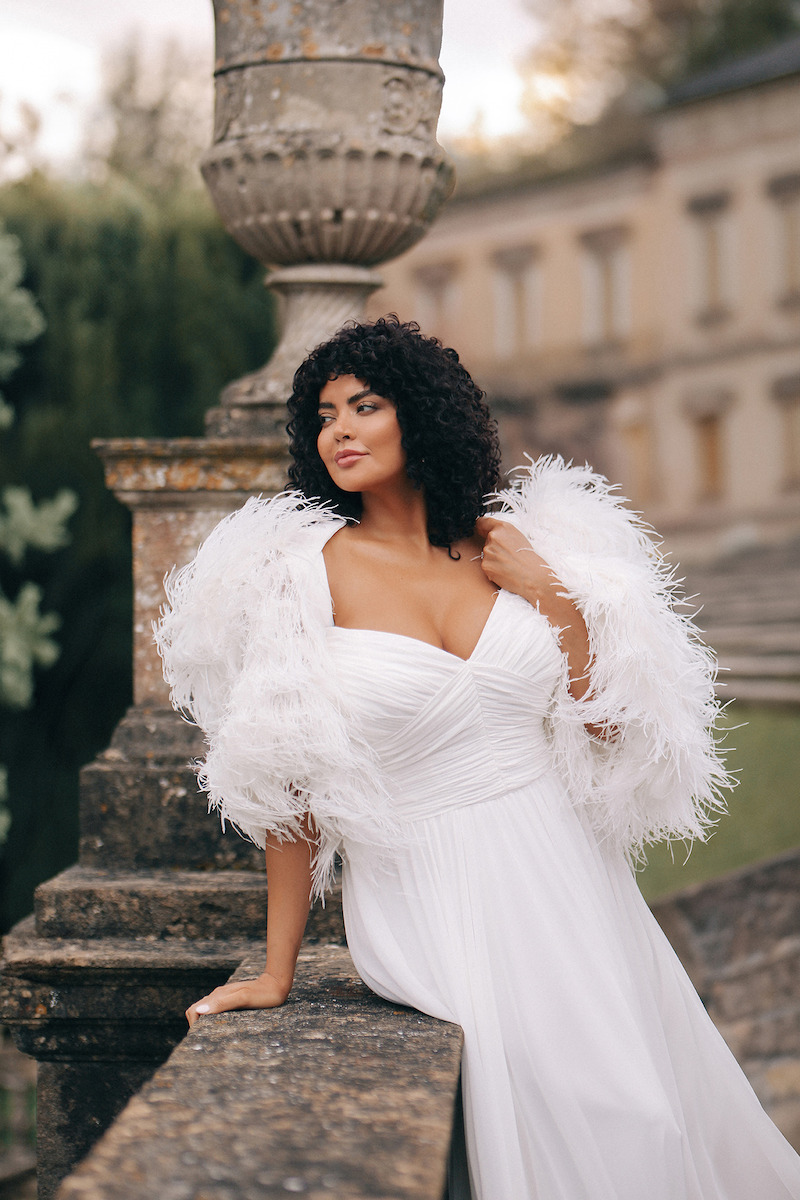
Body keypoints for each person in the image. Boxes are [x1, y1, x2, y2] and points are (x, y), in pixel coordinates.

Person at [155, 316, 800, 1200]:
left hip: (573, 875)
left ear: (417, 415)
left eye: (365, 405)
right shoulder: (298, 575)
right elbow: (289, 782)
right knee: (573, 1117)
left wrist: (554, 600)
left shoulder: (511, 546)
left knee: (647, 1116)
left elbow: (604, 729)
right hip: (435, 889)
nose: (338, 429)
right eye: (325, 414)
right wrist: (276, 972)